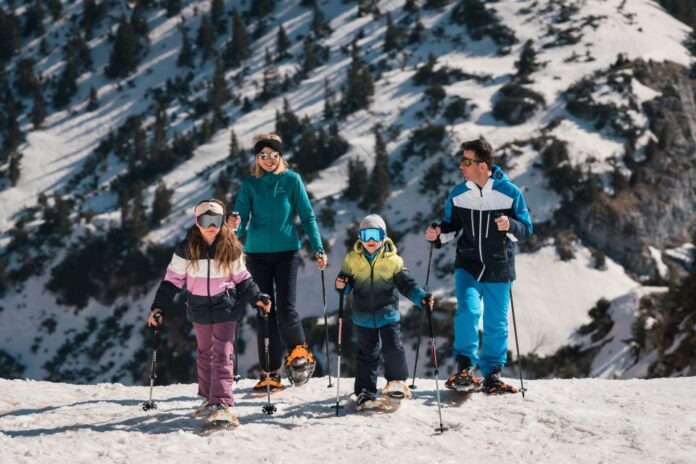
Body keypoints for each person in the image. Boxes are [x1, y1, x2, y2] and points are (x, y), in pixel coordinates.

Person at [148, 199, 271, 425]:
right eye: (206, 220)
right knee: (205, 353)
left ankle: (222, 402)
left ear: (222, 221)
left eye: (216, 220)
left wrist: (257, 297)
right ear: (197, 222)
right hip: (198, 306)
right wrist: (159, 307)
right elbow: (172, 282)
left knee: (223, 353)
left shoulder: (230, 246)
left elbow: (242, 278)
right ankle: (208, 399)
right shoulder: (186, 249)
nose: (211, 225)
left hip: (225, 305)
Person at [424, 137, 533, 394]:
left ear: (482, 166)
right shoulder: (459, 194)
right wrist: (438, 234)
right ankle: (465, 367)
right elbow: (452, 227)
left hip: (499, 267)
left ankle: (492, 374)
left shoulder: (510, 193)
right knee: (469, 312)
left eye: (466, 161)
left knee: (496, 322)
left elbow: (526, 230)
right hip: (468, 265)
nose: (461, 166)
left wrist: (511, 225)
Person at [228, 133, 328, 391]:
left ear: (281, 156)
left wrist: (318, 248)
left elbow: (307, 216)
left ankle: (299, 355)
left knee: (285, 309)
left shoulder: (292, 180)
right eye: (263, 155)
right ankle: (269, 372)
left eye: (273, 155)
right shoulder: (250, 184)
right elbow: (239, 223)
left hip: (287, 253)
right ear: (257, 158)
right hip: (257, 255)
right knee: (265, 312)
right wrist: (234, 227)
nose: (269, 160)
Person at [336, 214, 434, 409]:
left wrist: (421, 297)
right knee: (367, 353)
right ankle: (365, 391)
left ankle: (396, 382)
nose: (370, 241)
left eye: (375, 235)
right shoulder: (352, 260)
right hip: (363, 316)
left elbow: (406, 284)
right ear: (360, 237)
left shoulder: (393, 261)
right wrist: (341, 284)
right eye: (366, 235)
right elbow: (345, 287)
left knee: (392, 347)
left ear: (384, 236)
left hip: (387, 313)